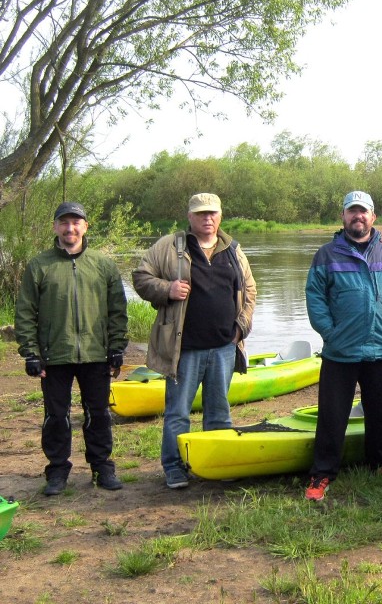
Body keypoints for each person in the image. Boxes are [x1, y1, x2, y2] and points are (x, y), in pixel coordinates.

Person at [133, 193, 256, 490]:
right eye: (201, 214)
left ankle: (216, 463)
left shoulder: (233, 250)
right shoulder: (170, 246)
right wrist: (167, 289)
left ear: (220, 216)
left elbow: (250, 289)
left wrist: (240, 328)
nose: (207, 218)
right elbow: (140, 277)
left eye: (212, 213)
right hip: (184, 350)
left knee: (219, 411)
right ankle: (175, 468)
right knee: (177, 413)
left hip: (224, 347)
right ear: (190, 217)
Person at [304, 190, 382, 501]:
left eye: (363, 211)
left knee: (380, 408)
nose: (358, 216)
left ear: (373, 216)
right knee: (332, 412)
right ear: (343, 216)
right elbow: (315, 297)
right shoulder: (327, 254)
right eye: (352, 211)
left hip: (381, 345)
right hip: (341, 349)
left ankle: (380, 462)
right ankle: (322, 473)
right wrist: (329, 332)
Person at [15, 202, 128, 496]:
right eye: (64, 222)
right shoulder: (39, 265)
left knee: (99, 413)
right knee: (56, 415)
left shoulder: (103, 265)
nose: (70, 228)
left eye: (76, 222)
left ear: (85, 227)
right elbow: (25, 312)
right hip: (54, 356)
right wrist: (31, 352)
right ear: (55, 227)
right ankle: (57, 471)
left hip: (95, 354)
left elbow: (118, 310)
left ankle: (102, 466)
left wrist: (116, 347)